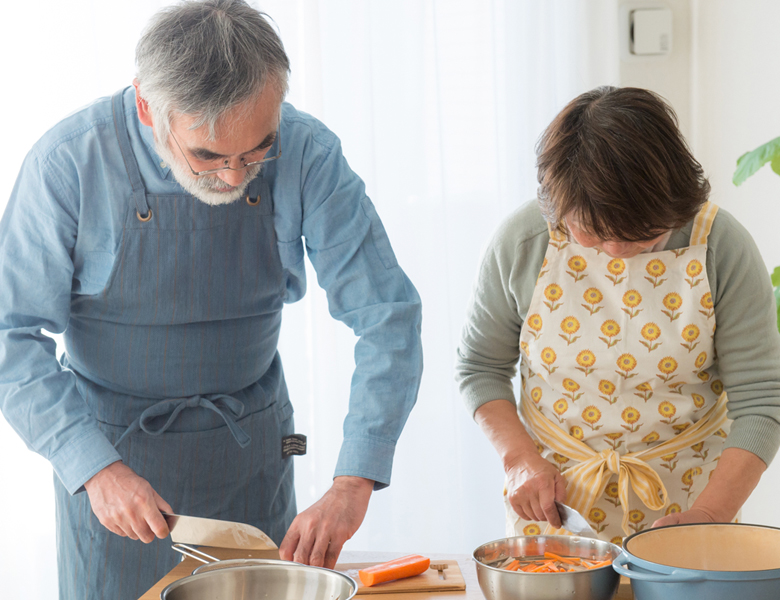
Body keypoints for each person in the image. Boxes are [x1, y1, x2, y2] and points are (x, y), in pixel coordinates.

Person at [0, 1, 422, 598]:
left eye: (256, 152)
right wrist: (92, 468)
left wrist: (354, 482)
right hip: (114, 469)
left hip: (254, 455)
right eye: (207, 155)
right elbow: (10, 335)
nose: (231, 178)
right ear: (149, 107)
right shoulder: (68, 161)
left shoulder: (308, 152)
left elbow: (388, 318)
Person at [455, 86, 780, 546]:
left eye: (638, 236)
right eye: (590, 232)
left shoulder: (721, 247)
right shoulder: (524, 241)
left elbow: (762, 401)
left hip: (693, 500)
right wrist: (518, 459)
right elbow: (479, 367)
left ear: (673, 201)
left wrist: (710, 512)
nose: (614, 251)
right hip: (555, 509)